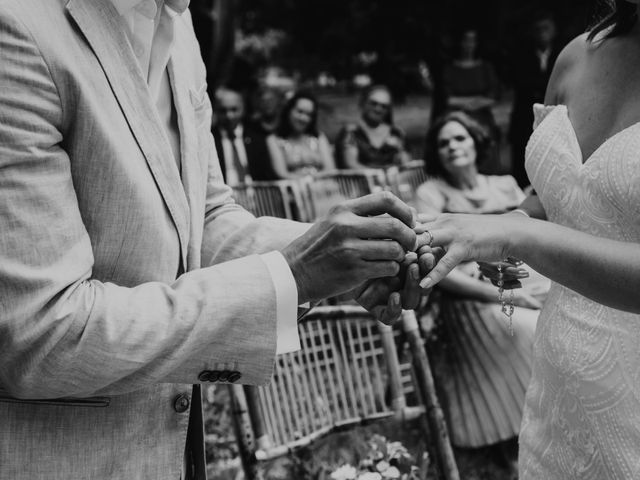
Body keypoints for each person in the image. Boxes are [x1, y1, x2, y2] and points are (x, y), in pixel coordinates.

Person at [0, 1, 434, 478]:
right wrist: (292, 275)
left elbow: (205, 219)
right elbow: (42, 334)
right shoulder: (18, 28)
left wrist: (352, 260)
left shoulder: (180, 28)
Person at [418, 2, 640, 477]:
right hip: (557, 383)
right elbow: (563, 195)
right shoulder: (577, 56)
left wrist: (516, 233)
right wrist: (498, 231)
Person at [414, 111, 543, 475]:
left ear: (476, 141)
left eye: (459, 138)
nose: (452, 147)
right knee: (532, 329)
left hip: (525, 278)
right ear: (436, 155)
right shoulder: (431, 193)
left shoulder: (504, 185)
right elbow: (436, 271)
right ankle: (519, 436)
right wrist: (507, 296)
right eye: (443, 143)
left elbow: (536, 239)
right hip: (472, 298)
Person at [507, 10, 561, 188]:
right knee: (522, 158)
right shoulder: (521, 53)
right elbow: (518, 80)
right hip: (524, 115)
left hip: (555, 115)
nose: (542, 33)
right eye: (538, 29)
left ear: (553, 30)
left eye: (545, 28)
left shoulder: (562, 53)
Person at [440, 28, 502, 173]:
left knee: (487, 158)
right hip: (458, 119)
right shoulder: (450, 69)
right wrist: (476, 100)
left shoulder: (485, 68)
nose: (469, 45)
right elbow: (448, 99)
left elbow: (493, 97)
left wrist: (469, 102)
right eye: (465, 40)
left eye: (472, 41)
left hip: (483, 121)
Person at [212, 87, 278, 185]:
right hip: (224, 195)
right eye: (223, 111)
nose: (229, 115)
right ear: (216, 111)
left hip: (256, 194)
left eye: (234, 109)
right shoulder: (210, 139)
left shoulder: (257, 137)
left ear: (243, 108)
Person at [335, 84, 409, 170]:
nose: (378, 109)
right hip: (360, 181)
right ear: (363, 103)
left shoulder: (397, 133)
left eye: (384, 106)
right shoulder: (351, 133)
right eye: (373, 104)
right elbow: (351, 164)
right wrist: (377, 175)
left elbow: (408, 166)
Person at [267, 90, 335, 178]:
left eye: (309, 114)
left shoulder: (319, 137)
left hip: (323, 187)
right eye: (300, 112)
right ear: (289, 110)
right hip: (293, 189)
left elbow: (330, 169)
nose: (304, 118)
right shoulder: (274, 139)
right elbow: (281, 173)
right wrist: (306, 182)